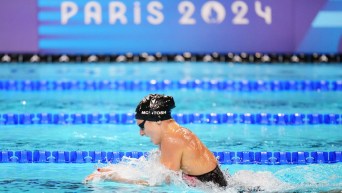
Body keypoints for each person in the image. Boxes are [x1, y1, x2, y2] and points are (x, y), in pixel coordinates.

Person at [85, 94, 228, 187]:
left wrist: (114, 178)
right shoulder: (175, 135)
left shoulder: (173, 139)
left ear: (157, 120)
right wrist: (121, 170)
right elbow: (159, 175)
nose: (141, 133)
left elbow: (161, 184)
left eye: (142, 126)